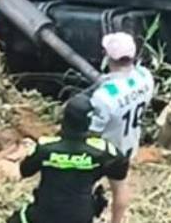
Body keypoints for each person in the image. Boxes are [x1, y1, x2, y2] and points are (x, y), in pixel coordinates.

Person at [10, 94, 130, 223]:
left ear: (64, 118)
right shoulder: (105, 152)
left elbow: (22, 172)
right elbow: (120, 193)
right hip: (81, 218)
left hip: (44, 217)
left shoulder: (45, 147)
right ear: (89, 122)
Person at [85, 31, 155, 223]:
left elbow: (93, 130)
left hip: (103, 150)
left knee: (84, 187)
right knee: (120, 186)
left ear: (107, 56)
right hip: (128, 144)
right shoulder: (145, 77)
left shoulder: (104, 96)